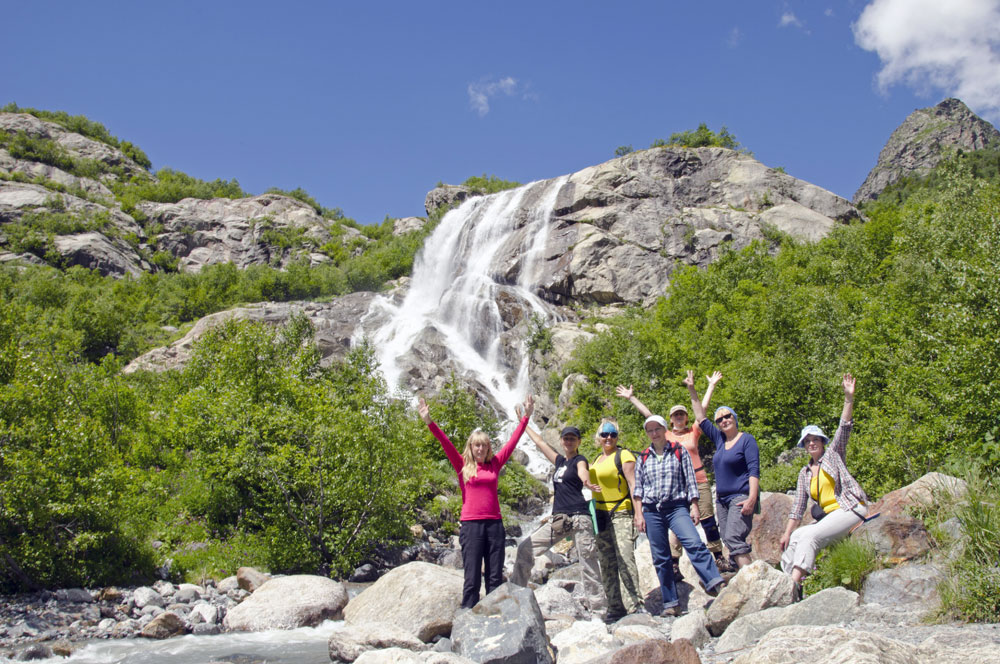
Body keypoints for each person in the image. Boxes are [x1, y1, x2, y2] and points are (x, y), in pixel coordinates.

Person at [418, 395, 533, 609]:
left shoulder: (495, 464)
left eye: (484, 445)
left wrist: (526, 417)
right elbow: (445, 442)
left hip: (494, 525)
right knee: (471, 577)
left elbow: (512, 442)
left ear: (488, 448)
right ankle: (467, 616)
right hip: (471, 526)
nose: (480, 449)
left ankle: (494, 616)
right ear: (471, 447)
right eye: (476, 445)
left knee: (494, 577)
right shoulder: (462, 465)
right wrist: (429, 421)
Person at [617, 372, 733, 580]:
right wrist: (631, 398)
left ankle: (718, 556)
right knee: (679, 524)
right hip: (676, 485)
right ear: (669, 420)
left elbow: (702, 409)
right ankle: (674, 563)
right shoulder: (666, 435)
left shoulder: (693, 432)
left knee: (707, 519)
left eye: (682, 414)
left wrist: (709, 386)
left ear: (686, 418)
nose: (679, 417)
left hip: (698, 480)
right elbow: (649, 416)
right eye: (675, 415)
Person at [779, 373, 869, 599]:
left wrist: (848, 399)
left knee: (811, 536)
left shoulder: (833, 455)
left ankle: (794, 587)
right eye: (807, 441)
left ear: (822, 442)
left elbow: (844, 428)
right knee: (796, 538)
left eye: (815, 440)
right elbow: (798, 507)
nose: (812, 444)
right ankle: (787, 582)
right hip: (830, 517)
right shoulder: (804, 473)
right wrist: (787, 533)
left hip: (850, 508)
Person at [510, 420, 606, 617]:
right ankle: (516, 597)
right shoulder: (560, 461)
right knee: (525, 548)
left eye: (572, 439)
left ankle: (599, 612)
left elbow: (583, 471)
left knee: (588, 564)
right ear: (561, 441)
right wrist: (524, 422)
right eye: (566, 438)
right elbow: (540, 442)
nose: (569, 441)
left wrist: (587, 482)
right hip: (559, 519)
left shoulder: (580, 460)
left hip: (579, 518)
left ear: (578, 442)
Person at [634, 414, 724, 617]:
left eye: (657, 429)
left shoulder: (678, 451)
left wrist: (694, 505)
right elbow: (638, 489)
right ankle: (671, 603)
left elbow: (690, 480)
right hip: (652, 510)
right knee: (660, 556)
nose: (654, 433)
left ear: (665, 430)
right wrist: (639, 514)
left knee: (694, 542)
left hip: (676, 507)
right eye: (650, 430)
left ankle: (715, 583)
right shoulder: (643, 457)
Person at [684, 370, 759, 569]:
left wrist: (752, 498)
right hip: (722, 500)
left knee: (734, 537)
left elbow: (754, 471)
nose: (724, 420)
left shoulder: (746, 440)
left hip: (740, 497)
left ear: (734, 418)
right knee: (727, 538)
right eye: (719, 419)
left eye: (727, 416)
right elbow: (700, 416)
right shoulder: (719, 439)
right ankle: (741, 576)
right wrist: (692, 389)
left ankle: (753, 578)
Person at [588, 418, 644, 622]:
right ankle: (615, 607)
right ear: (599, 437)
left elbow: (633, 484)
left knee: (625, 558)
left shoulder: (624, 455)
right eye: (605, 434)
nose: (609, 438)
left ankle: (635, 605)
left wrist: (639, 513)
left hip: (621, 512)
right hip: (600, 514)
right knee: (606, 562)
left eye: (613, 434)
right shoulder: (596, 459)